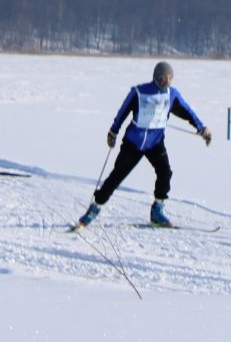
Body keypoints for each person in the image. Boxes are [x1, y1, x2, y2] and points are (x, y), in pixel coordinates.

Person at [76, 61, 211, 228]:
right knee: (117, 176)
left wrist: (202, 128)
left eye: (170, 79)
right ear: (155, 78)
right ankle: (93, 209)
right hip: (134, 142)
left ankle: (157, 211)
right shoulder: (139, 92)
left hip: (155, 143)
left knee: (165, 173)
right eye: (163, 79)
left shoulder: (172, 94)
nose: (166, 83)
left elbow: (187, 112)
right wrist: (113, 131)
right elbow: (122, 112)